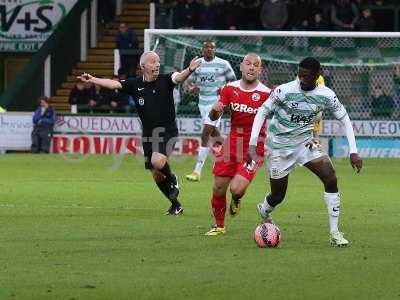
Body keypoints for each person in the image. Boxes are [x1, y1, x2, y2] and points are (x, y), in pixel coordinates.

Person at [247, 57, 363, 247]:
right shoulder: (284, 91)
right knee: (278, 196)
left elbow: (345, 119)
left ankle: (334, 232)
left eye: (306, 76)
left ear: (318, 75)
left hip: (305, 144)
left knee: (331, 178)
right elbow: (262, 112)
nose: (301, 79)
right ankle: (265, 209)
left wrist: (353, 151)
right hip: (279, 147)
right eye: (299, 74)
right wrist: (252, 145)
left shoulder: (326, 94)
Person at [78, 51, 201, 215]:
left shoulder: (166, 80)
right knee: (156, 174)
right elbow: (113, 84)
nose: (157, 64)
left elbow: (178, 77)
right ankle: (176, 205)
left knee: (157, 162)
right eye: (152, 62)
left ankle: (172, 178)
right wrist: (93, 79)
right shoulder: (134, 84)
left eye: (158, 61)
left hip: (167, 130)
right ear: (143, 66)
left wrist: (189, 70)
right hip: (148, 133)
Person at [204, 53, 272, 236]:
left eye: (255, 65)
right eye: (248, 64)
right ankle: (219, 226)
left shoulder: (267, 94)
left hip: (253, 149)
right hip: (231, 145)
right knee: (218, 187)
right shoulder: (228, 89)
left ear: (260, 70)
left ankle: (236, 198)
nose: (251, 67)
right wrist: (214, 112)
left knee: (236, 188)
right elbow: (213, 117)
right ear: (241, 67)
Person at [186, 40, 236, 182]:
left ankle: (197, 171)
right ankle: (230, 155)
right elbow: (188, 82)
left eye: (211, 47)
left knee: (206, 132)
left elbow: (233, 82)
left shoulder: (223, 64)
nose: (209, 49)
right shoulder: (198, 64)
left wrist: (225, 89)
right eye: (206, 47)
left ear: (215, 50)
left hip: (218, 103)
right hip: (202, 103)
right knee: (214, 132)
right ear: (203, 49)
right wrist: (192, 88)